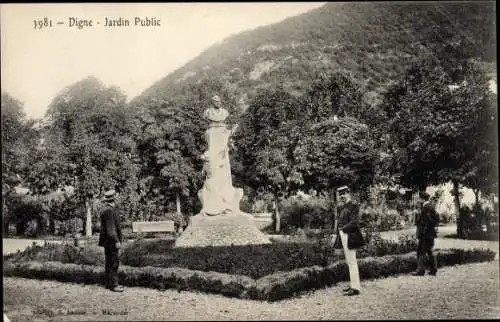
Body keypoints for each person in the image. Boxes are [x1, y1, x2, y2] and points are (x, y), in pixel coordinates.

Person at [333, 185, 365, 296]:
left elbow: (354, 222)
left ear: (348, 193)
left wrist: (342, 229)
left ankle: (355, 288)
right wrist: (339, 233)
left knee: (352, 262)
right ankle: (353, 285)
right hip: (343, 235)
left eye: (344, 193)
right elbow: (340, 222)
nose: (342, 196)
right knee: (349, 261)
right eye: (340, 194)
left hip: (350, 236)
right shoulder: (341, 208)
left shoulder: (354, 206)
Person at [98, 189, 124, 292]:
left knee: (109, 262)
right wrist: (116, 241)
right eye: (116, 198)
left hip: (108, 241)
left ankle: (109, 283)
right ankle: (114, 285)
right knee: (114, 262)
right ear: (114, 199)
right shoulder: (109, 211)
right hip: (111, 241)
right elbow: (110, 229)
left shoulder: (108, 209)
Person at [412, 191, 439, 276]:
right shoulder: (429, 206)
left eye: (419, 198)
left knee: (421, 251)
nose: (418, 200)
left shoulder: (427, 207)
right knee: (429, 251)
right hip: (428, 233)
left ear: (422, 199)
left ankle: (420, 270)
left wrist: (424, 231)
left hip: (425, 234)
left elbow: (429, 221)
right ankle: (433, 269)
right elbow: (436, 219)